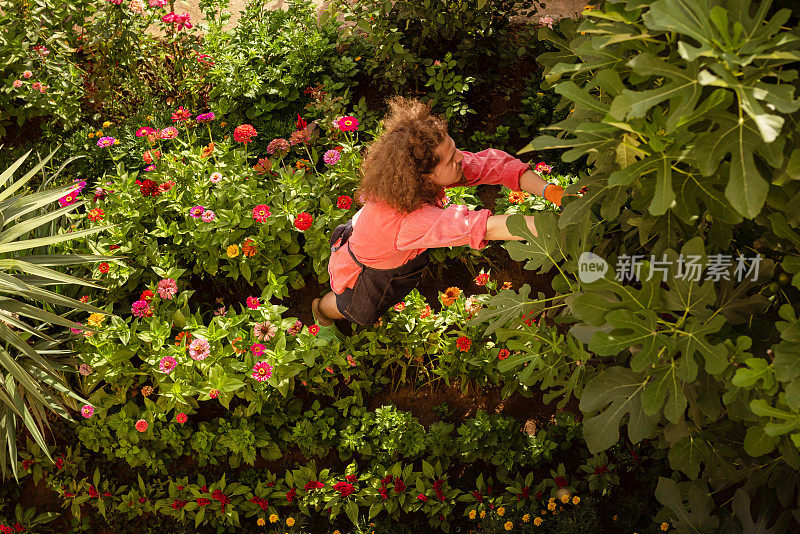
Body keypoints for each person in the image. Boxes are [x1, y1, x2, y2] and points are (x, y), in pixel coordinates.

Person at [311, 97, 564, 333]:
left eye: (455, 149)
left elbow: (495, 165)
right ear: (424, 175)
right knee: (351, 309)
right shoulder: (410, 221)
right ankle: (321, 309)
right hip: (368, 273)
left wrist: (549, 190)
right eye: (452, 159)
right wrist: (563, 225)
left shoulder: (409, 181)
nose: (461, 158)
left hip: (371, 236)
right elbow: (485, 227)